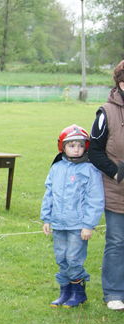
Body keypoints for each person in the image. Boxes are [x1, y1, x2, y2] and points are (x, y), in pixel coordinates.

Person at [40, 125, 104, 308]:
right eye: (71, 145)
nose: (76, 149)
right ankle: (65, 292)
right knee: (61, 258)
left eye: (80, 145)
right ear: (62, 146)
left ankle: (78, 293)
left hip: (78, 226)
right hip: (59, 223)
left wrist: (88, 225)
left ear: (86, 147)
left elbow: (95, 199)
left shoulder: (90, 170)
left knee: (74, 258)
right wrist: (46, 218)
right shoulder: (56, 168)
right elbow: (49, 193)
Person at [89, 59, 124, 311]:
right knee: (117, 242)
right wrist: (116, 173)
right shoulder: (106, 112)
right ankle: (113, 292)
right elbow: (94, 151)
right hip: (117, 191)